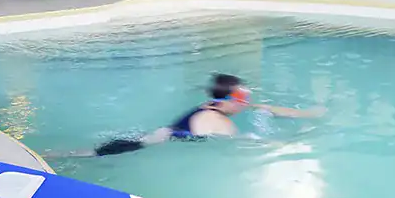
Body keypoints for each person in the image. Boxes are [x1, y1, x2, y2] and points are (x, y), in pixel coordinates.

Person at [94, 73, 312, 155]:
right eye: (241, 99)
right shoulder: (221, 123)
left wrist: (303, 114)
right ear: (225, 102)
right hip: (161, 145)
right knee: (93, 155)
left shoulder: (210, 105)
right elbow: (240, 146)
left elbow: (255, 107)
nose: (246, 104)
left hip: (160, 135)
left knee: (92, 152)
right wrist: (285, 144)